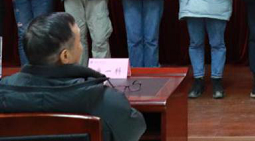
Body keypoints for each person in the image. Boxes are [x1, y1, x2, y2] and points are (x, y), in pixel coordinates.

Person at [0, 12, 147, 141]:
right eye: (79, 42)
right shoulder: (103, 99)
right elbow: (134, 130)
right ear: (65, 56)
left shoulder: (4, 91)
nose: (82, 47)